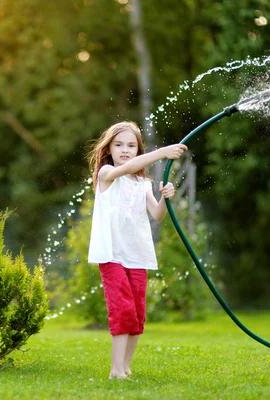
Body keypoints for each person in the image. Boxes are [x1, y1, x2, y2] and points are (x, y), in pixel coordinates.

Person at [87, 121, 187, 379]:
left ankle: (127, 367)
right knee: (121, 309)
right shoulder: (106, 173)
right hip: (112, 255)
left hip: (137, 255)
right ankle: (115, 370)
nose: (125, 150)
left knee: (137, 314)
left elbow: (157, 215)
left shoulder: (142, 184)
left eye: (131, 146)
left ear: (138, 148)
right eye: (119, 145)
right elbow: (130, 167)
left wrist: (166, 197)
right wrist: (161, 152)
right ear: (108, 148)